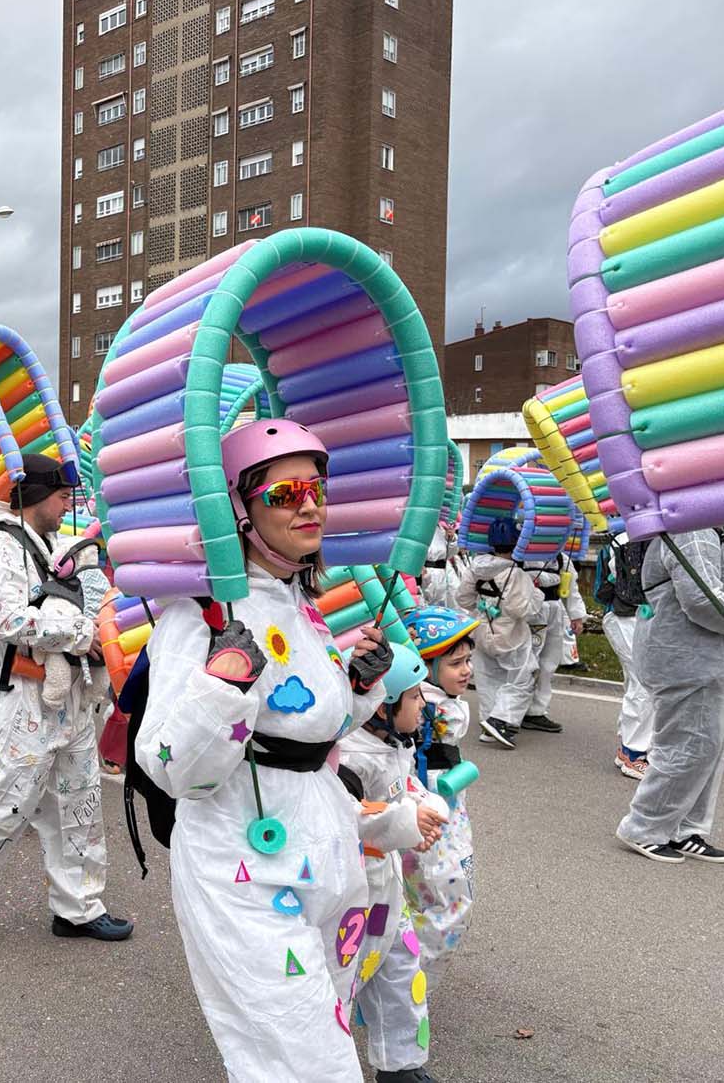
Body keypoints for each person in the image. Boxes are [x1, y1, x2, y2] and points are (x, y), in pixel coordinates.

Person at [134, 419, 394, 1082]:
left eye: (317, 488)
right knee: (309, 1060)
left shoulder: (299, 600)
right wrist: (220, 686)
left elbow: (306, 725)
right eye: (285, 494)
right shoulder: (199, 616)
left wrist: (357, 687)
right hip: (240, 858)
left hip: (323, 842)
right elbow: (166, 763)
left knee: (321, 1024)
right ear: (240, 511)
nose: (310, 504)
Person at [0, 452, 130, 947]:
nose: (66, 506)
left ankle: (77, 906)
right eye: (60, 496)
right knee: (7, 804)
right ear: (33, 495)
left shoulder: (57, 544)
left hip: (72, 699)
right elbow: (7, 619)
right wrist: (84, 633)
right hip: (19, 699)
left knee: (81, 804)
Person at [616, 528, 724, 864]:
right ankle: (644, 826)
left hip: (702, 660)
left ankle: (682, 827)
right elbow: (700, 597)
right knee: (687, 746)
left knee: (706, 747)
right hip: (688, 660)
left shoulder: (700, 529)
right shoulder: (694, 529)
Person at [340, 646, 445, 1083]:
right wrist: (406, 820)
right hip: (353, 894)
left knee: (402, 972)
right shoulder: (349, 757)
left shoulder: (395, 743)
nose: (423, 705)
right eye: (415, 696)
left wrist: (424, 805)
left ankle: (401, 1063)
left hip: (388, 888)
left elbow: (408, 788)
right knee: (342, 977)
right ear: (383, 705)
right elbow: (349, 817)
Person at [399, 605, 481, 983]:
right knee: (441, 899)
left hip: (446, 809)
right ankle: (410, 982)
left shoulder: (436, 702)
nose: (466, 671)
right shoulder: (427, 706)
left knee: (442, 898)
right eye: (456, 663)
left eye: (467, 660)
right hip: (429, 814)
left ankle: (409, 977)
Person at [457, 519, 541, 749]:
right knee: (523, 677)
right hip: (510, 634)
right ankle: (502, 721)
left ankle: (488, 723)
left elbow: (463, 599)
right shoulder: (517, 573)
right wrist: (537, 595)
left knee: (487, 678)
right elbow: (520, 610)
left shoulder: (475, 567)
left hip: (481, 629)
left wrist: (483, 608)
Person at [595, 532, 656, 778]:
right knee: (644, 683)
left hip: (627, 617)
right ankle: (634, 753)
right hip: (628, 618)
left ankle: (628, 748)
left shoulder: (621, 538)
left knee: (636, 681)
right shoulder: (631, 540)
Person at [518, 550, 586, 734]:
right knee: (527, 662)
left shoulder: (560, 557)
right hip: (531, 610)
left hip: (554, 609)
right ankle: (514, 710)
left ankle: (536, 711)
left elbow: (571, 585)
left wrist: (576, 615)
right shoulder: (522, 551)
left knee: (548, 663)